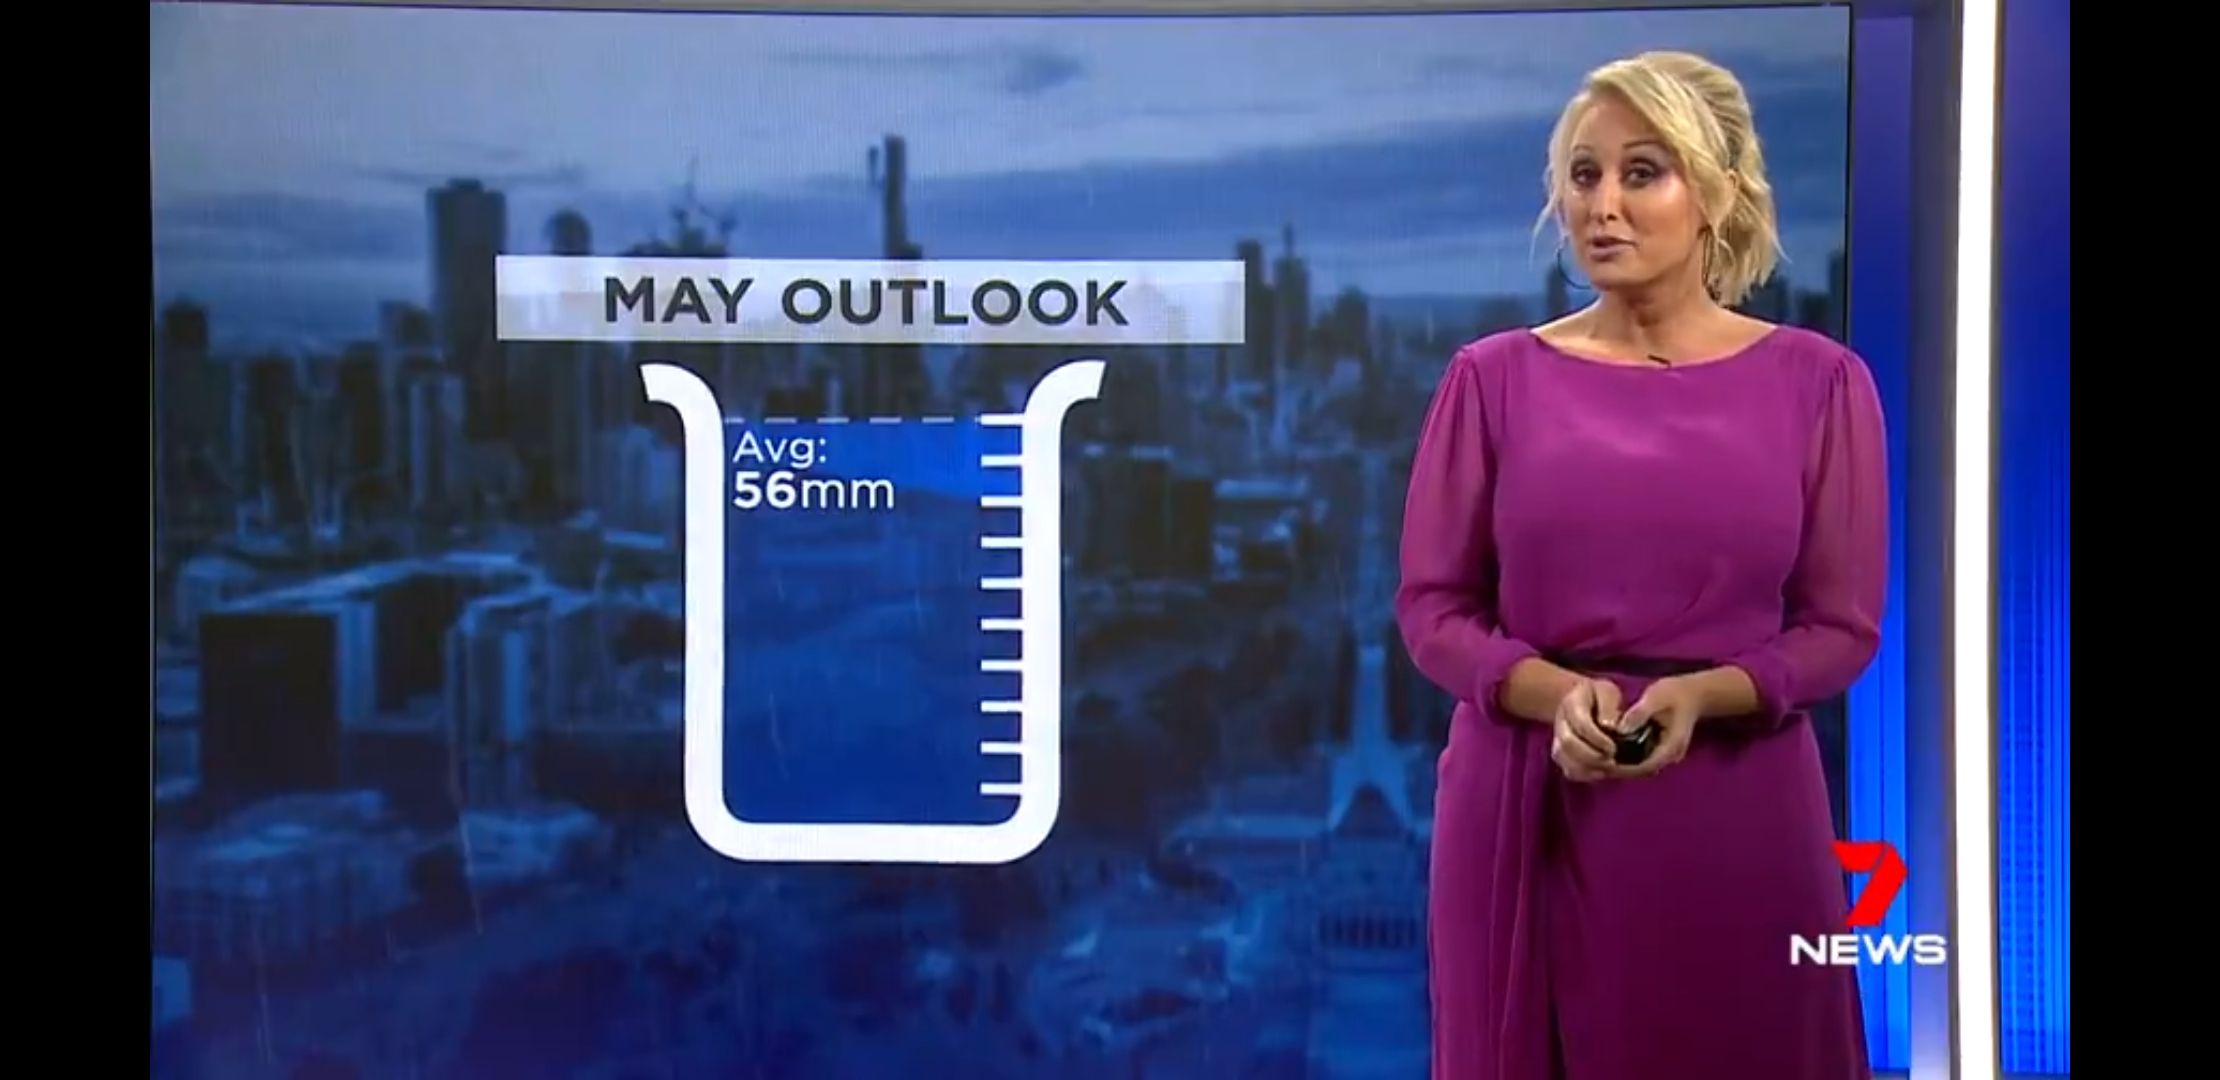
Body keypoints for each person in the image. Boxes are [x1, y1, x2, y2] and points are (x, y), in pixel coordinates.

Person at [1395, 51, 1886, 1080]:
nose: (1603, 205)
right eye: (1583, 176)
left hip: (1739, 810)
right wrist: (1551, 692)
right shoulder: (1490, 381)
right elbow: (1434, 610)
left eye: (1642, 172)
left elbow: (1840, 629)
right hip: (1531, 801)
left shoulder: (1823, 385)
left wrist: (1706, 694)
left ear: (1715, 195)